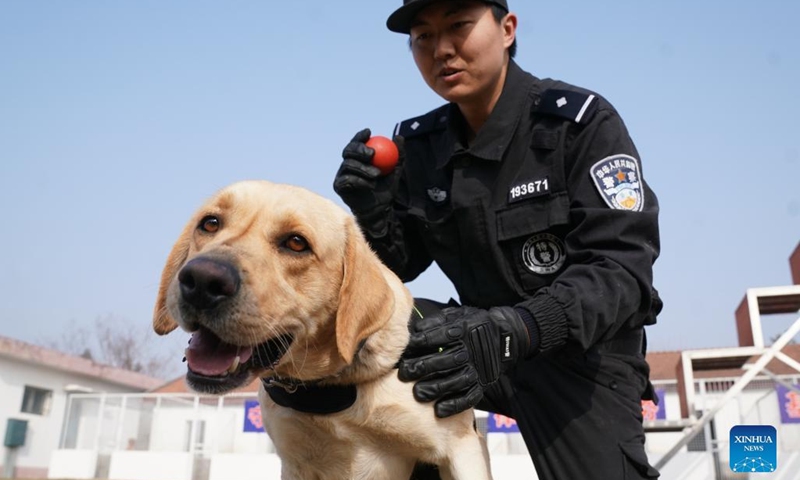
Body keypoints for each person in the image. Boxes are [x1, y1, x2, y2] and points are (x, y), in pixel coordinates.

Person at [333, 0, 662, 478]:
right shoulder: (420, 144)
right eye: (423, 36)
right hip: (468, 342)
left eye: (459, 27)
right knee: (376, 330)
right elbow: (396, 267)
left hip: (579, 360)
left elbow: (621, 274)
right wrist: (372, 211)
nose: (441, 50)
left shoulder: (579, 124)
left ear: (507, 29)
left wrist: (517, 330)